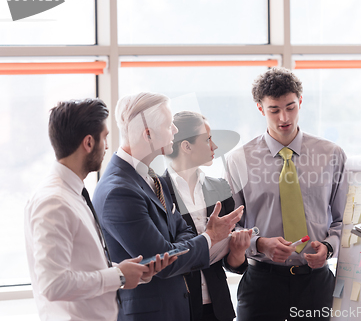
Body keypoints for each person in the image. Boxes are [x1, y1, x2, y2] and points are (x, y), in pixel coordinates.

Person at [92, 92, 243, 321]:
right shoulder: (119, 190)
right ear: (148, 134)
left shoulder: (154, 179)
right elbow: (162, 259)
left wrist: (177, 246)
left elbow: (183, 232)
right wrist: (209, 237)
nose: (174, 130)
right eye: (168, 124)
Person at [25, 99, 175, 321]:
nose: (107, 146)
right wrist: (118, 276)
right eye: (104, 138)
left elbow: (83, 265)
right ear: (88, 142)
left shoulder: (72, 193)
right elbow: (53, 284)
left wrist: (127, 272)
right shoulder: (54, 202)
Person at [225, 67, 349, 320]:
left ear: (300, 102)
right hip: (261, 284)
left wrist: (328, 247)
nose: (284, 117)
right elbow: (229, 227)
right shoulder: (238, 160)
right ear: (260, 108)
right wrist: (259, 244)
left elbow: (343, 219)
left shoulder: (332, 154)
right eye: (274, 109)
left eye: (291, 107)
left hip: (316, 285)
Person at [163, 111, 251, 321]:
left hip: (218, 308)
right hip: (178, 308)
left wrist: (238, 252)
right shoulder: (158, 191)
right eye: (208, 139)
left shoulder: (220, 188)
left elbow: (232, 264)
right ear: (186, 146)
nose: (215, 147)